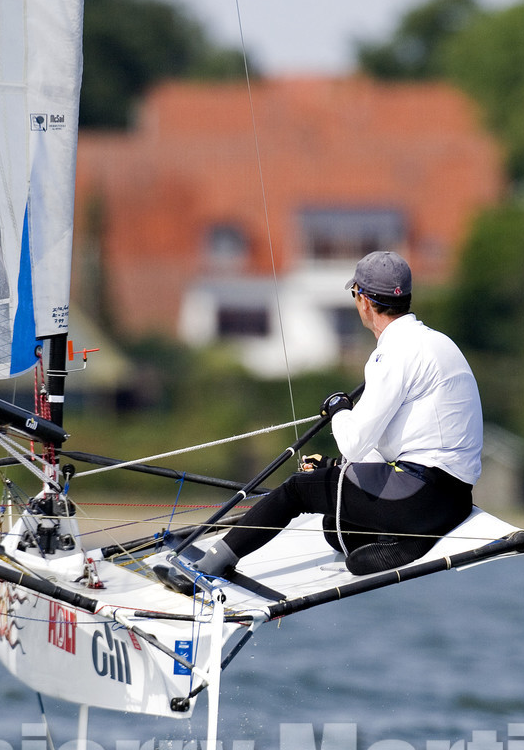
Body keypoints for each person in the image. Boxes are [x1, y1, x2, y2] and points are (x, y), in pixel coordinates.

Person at [158, 250, 484, 589]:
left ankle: (208, 568)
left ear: (363, 301)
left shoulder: (392, 354)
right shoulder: (439, 342)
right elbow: (400, 441)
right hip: (453, 500)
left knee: (298, 490)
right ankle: (411, 540)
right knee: (334, 526)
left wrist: (338, 411)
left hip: (417, 496)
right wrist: (332, 464)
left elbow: (355, 443)